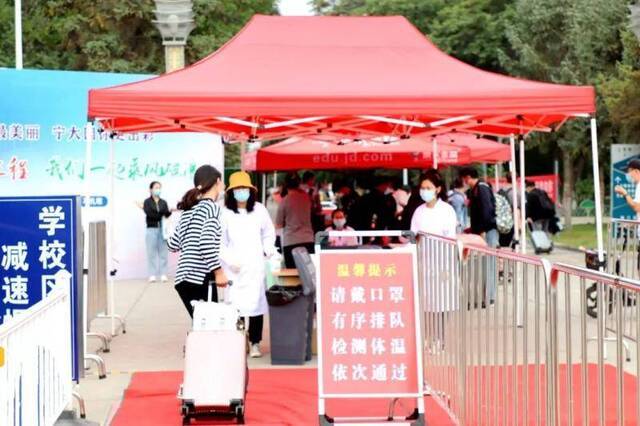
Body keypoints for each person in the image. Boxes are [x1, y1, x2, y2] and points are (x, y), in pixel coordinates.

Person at [221, 171, 277, 358]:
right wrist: (229, 260)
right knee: (236, 305)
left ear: (251, 191)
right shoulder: (225, 212)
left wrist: (267, 249)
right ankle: (239, 340)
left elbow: (269, 233)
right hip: (235, 267)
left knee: (256, 305)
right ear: (231, 192)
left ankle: (255, 342)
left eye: (244, 188)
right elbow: (220, 241)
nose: (241, 192)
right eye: (237, 189)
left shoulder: (260, 209)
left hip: (255, 264)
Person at [168, 165, 229, 318]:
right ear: (217, 181)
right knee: (209, 327)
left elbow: (173, 244)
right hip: (199, 277)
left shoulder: (189, 210)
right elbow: (205, 243)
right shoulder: (212, 208)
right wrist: (219, 272)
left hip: (183, 279)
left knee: (202, 325)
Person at [410, 169, 457, 348]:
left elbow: (450, 237)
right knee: (427, 304)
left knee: (441, 303)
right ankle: (430, 336)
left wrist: (447, 264)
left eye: (428, 187)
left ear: (437, 189)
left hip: (443, 262)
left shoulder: (447, 210)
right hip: (424, 263)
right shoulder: (418, 212)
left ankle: (440, 338)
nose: (425, 191)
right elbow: (412, 236)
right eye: (422, 188)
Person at [459, 167, 498, 304]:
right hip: (481, 231)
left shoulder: (481, 188)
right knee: (485, 264)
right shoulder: (476, 189)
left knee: (489, 263)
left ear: (468, 176)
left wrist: (482, 230)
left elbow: (487, 211)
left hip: (487, 231)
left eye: (463, 178)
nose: (463, 181)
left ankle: (489, 296)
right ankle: (485, 295)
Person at [276, 172, 315, 268]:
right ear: (298, 183)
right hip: (308, 240)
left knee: (292, 275)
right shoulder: (307, 198)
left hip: (291, 242)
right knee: (308, 274)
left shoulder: (285, 201)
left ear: (286, 184)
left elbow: (278, 224)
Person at [142, 181, 172, 283]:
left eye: (159, 187)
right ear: (150, 189)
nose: (158, 189)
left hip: (163, 230)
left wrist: (168, 212)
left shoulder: (163, 202)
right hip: (151, 229)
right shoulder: (147, 202)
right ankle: (152, 275)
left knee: (163, 252)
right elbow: (150, 214)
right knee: (151, 253)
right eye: (156, 187)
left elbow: (167, 214)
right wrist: (162, 213)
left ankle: (163, 274)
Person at [352, 176, 397, 244]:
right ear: (383, 185)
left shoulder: (364, 197)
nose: (388, 187)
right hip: (375, 230)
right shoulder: (382, 199)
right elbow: (385, 216)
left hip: (364, 230)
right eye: (388, 185)